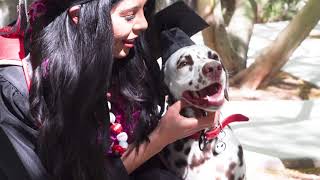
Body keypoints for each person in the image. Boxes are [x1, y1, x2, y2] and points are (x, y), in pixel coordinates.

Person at [27, 0, 216, 180]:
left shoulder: (128, 64)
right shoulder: (37, 87)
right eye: (129, 15)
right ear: (79, 16)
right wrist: (161, 136)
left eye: (145, 9)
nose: (144, 24)